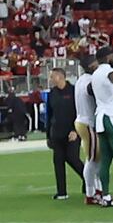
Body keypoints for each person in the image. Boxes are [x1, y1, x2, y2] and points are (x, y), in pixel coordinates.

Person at [89, 47, 113, 204]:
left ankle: (105, 196)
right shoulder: (109, 72)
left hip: (100, 117)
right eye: (112, 55)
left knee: (105, 159)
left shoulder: (95, 74)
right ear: (107, 57)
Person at [43, 68, 85, 200]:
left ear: (60, 76)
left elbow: (79, 112)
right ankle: (61, 192)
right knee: (58, 161)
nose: (50, 79)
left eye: (52, 77)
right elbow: (49, 115)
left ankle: (88, 178)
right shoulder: (52, 94)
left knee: (72, 158)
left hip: (72, 132)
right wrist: (48, 135)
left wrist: (75, 130)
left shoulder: (73, 91)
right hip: (56, 133)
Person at [73, 51, 103, 204]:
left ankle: (96, 189)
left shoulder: (81, 79)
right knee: (92, 159)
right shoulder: (89, 81)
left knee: (96, 158)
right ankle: (91, 193)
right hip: (87, 122)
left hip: (83, 120)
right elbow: (91, 91)